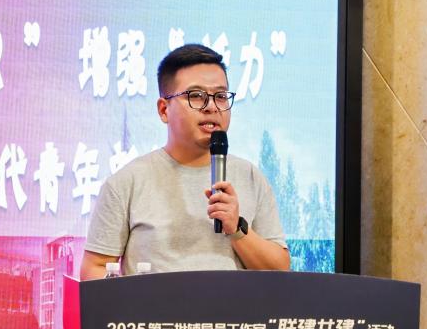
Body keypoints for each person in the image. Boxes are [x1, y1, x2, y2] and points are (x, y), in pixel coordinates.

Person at [80, 44, 290, 279]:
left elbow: (280, 271)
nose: (212, 107)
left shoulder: (250, 177)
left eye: (221, 96)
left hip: (234, 304)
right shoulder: (126, 182)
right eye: (196, 96)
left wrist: (237, 229)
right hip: (154, 304)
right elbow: (94, 267)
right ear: (164, 110)